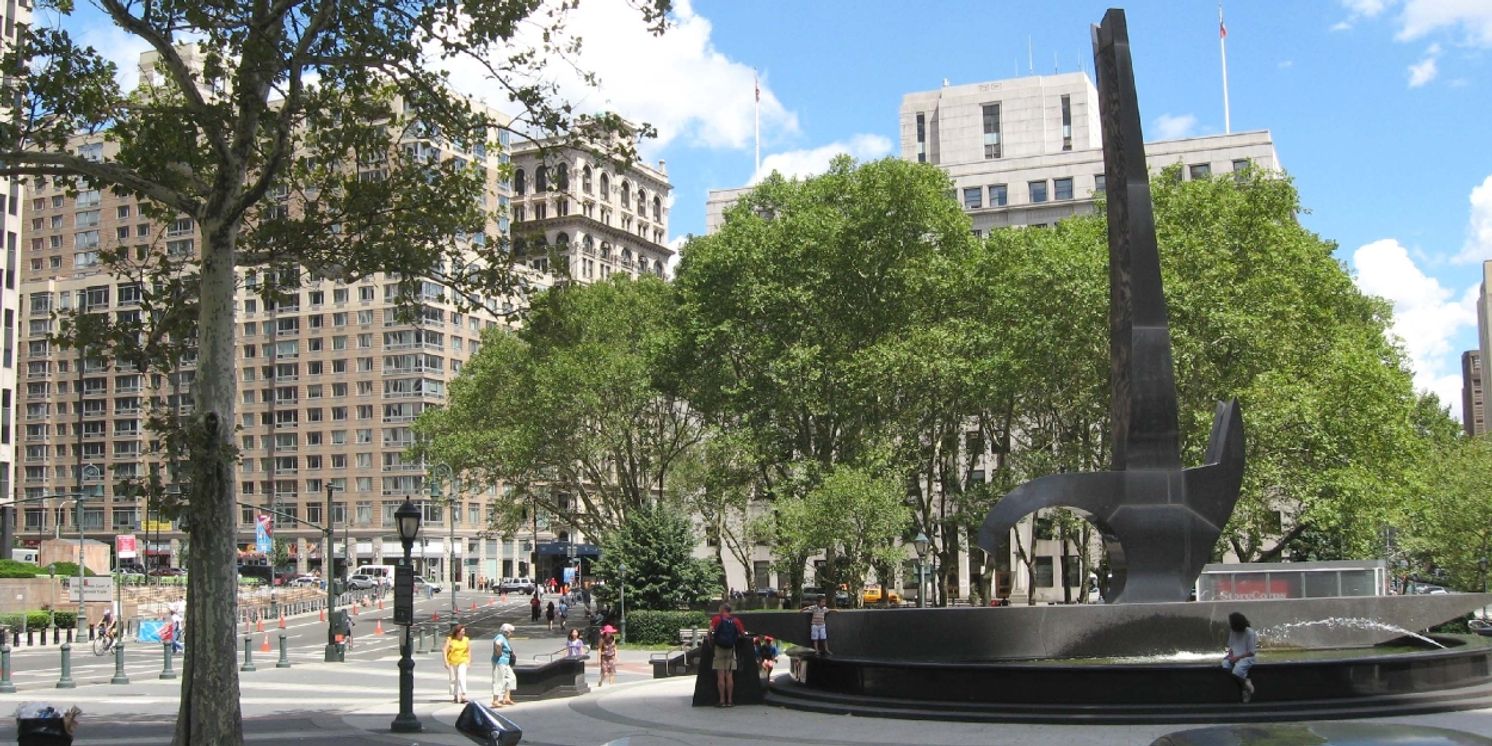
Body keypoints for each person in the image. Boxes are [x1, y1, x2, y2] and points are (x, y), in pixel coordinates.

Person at [709, 603, 747, 707]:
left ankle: (722, 701)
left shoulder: (717, 618)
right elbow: (743, 634)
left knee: (720, 676)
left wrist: (710, 640)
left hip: (719, 649)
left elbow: (710, 631)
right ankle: (730, 701)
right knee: (729, 676)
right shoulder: (735, 621)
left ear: (722, 609)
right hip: (730, 649)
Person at [1222, 611, 1258, 702]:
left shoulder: (1250, 633)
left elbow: (1251, 652)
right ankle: (1245, 683)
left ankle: (1244, 687)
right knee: (1225, 664)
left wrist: (1237, 658)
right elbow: (1231, 647)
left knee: (1237, 670)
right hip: (1234, 657)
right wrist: (1230, 656)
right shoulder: (1233, 631)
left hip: (1246, 658)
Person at [444, 623, 471, 704]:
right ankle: (455, 695)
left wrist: (469, 661)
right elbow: (445, 650)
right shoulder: (450, 639)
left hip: (463, 660)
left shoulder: (466, 639)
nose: (464, 633)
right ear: (457, 632)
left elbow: (469, 650)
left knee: (461, 677)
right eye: (462, 631)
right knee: (453, 679)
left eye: (464, 631)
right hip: (452, 661)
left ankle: (463, 695)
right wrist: (446, 662)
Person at [491, 623, 517, 707]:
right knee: (499, 680)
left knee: (511, 677)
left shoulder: (504, 638)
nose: (511, 634)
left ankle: (506, 697)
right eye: (510, 632)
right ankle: (495, 700)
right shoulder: (500, 637)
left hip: (505, 662)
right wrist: (499, 653)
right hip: (500, 662)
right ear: (505, 632)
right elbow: (498, 644)